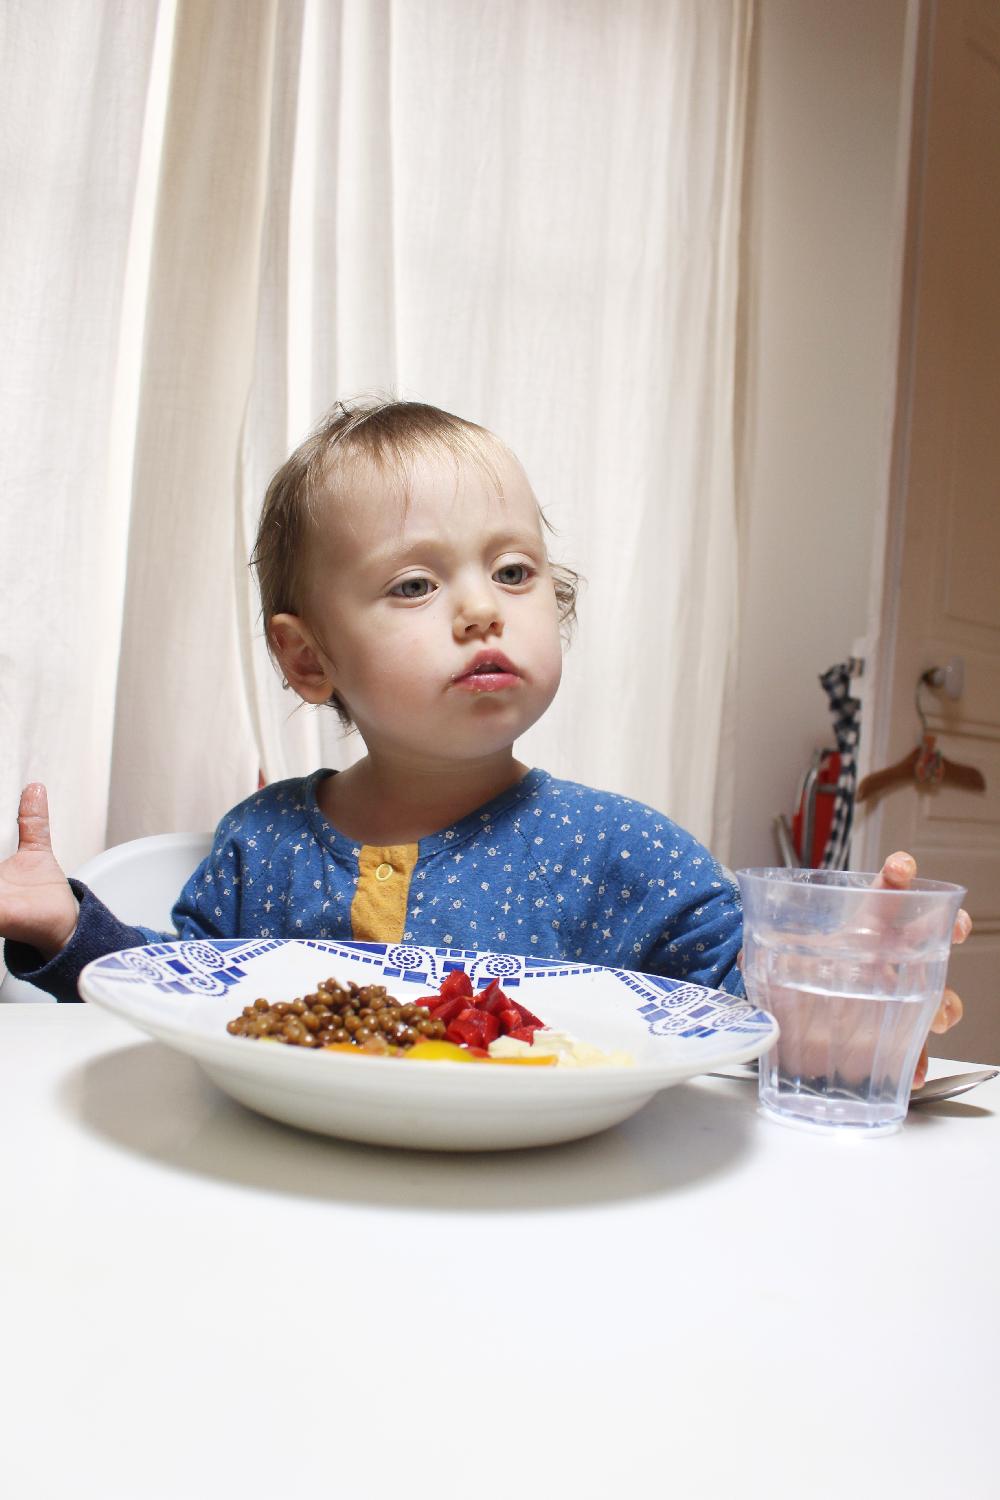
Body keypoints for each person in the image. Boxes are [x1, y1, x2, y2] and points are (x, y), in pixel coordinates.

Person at [0, 398, 969, 1082]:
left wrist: (853, 997)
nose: (480, 611)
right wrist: (65, 928)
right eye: (414, 585)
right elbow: (179, 1005)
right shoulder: (264, 842)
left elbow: (748, 1016)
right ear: (307, 661)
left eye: (513, 571)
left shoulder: (623, 851)